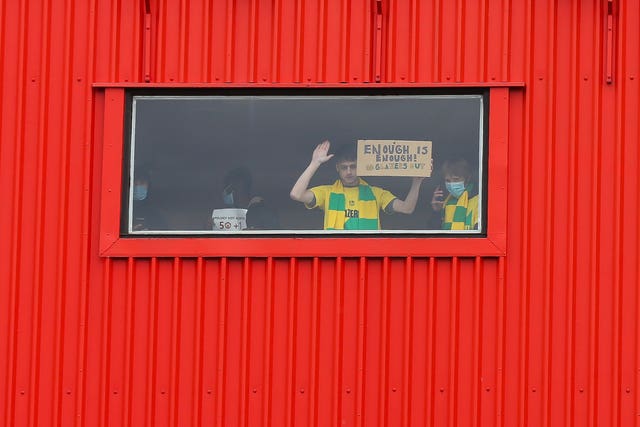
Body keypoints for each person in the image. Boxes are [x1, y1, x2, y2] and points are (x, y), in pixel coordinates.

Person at [290, 140, 424, 230]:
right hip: (336, 258)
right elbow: (296, 194)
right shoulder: (328, 192)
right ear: (337, 168)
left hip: (368, 259)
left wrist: (416, 183)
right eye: (344, 167)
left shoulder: (376, 193)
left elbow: (407, 208)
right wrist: (315, 163)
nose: (349, 172)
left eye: (353, 166)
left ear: (360, 166)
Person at [430, 158, 479, 230]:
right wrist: (437, 211)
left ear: (467, 178)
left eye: (456, 179)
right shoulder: (446, 202)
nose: (452, 184)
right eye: (448, 180)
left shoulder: (478, 201)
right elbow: (433, 235)